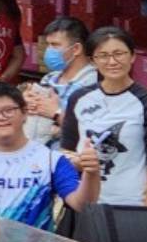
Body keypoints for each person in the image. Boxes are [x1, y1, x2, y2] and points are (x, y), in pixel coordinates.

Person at [61, 28, 147, 209]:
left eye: (119, 53)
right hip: (87, 204)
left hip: (131, 204)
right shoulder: (78, 98)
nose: (112, 61)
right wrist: (78, 162)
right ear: (92, 61)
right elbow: (65, 150)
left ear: (132, 56)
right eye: (103, 55)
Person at [0, 81, 98, 228]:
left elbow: (81, 204)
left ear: (25, 113)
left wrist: (92, 173)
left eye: (8, 110)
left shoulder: (51, 160)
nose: (1, 117)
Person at [22, 17, 97, 146]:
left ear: (76, 49)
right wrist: (24, 105)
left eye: (55, 45)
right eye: (48, 44)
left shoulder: (93, 83)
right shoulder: (49, 79)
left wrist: (57, 114)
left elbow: (93, 131)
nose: (49, 51)